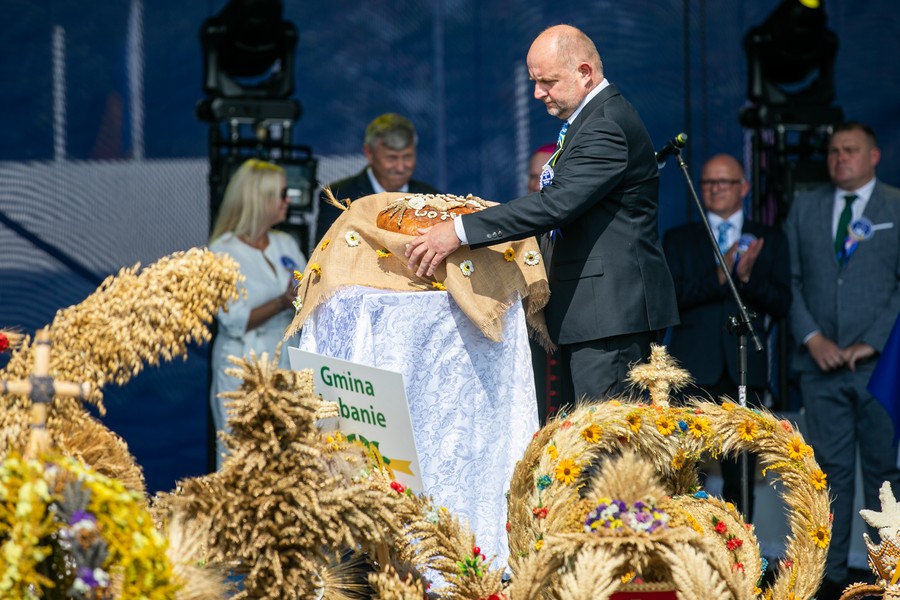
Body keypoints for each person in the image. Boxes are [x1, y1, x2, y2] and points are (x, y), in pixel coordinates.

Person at [405, 24, 678, 403]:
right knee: (581, 435)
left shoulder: (605, 124)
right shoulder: (592, 119)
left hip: (610, 317)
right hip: (594, 315)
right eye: (534, 82)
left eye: (547, 82)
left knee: (604, 436)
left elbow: (555, 205)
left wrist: (459, 230)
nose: (537, 93)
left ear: (585, 72)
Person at [784, 121, 900, 597]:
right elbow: (789, 280)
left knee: (884, 476)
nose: (840, 158)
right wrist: (812, 338)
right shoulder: (804, 206)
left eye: (850, 150)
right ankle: (829, 579)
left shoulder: (896, 205)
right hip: (820, 366)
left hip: (881, 366)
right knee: (827, 476)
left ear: (874, 156)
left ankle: (889, 577)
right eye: (833, 151)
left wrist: (871, 341)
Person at [663, 153, 791, 520]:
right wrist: (720, 276)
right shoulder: (679, 238)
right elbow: (670, 299)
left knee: (741, 474)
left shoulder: (769, 238)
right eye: (707, 182)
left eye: (724, 181)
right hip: (692, 368)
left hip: (744, 367)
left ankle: (741, 547)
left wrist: (747, 278)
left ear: (744, 187)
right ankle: (689, 545)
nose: (715, 188)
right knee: (686, 471)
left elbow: (782, 303)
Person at [209, 158, 307, 468]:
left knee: (289, 458)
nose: (287, 200)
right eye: (281, 194)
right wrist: (281, 302)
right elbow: (232, 320)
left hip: (287, 364)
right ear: (258, 200)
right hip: (243, 368)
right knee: (241, 459)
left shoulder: (285, 243)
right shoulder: (222, 251)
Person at [315, 113, 439, 241]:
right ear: (369, 153)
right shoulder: (338, 196)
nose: (400, 167)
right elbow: (325, 250)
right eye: (392, 158)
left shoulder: (432, 198)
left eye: (407, 157)